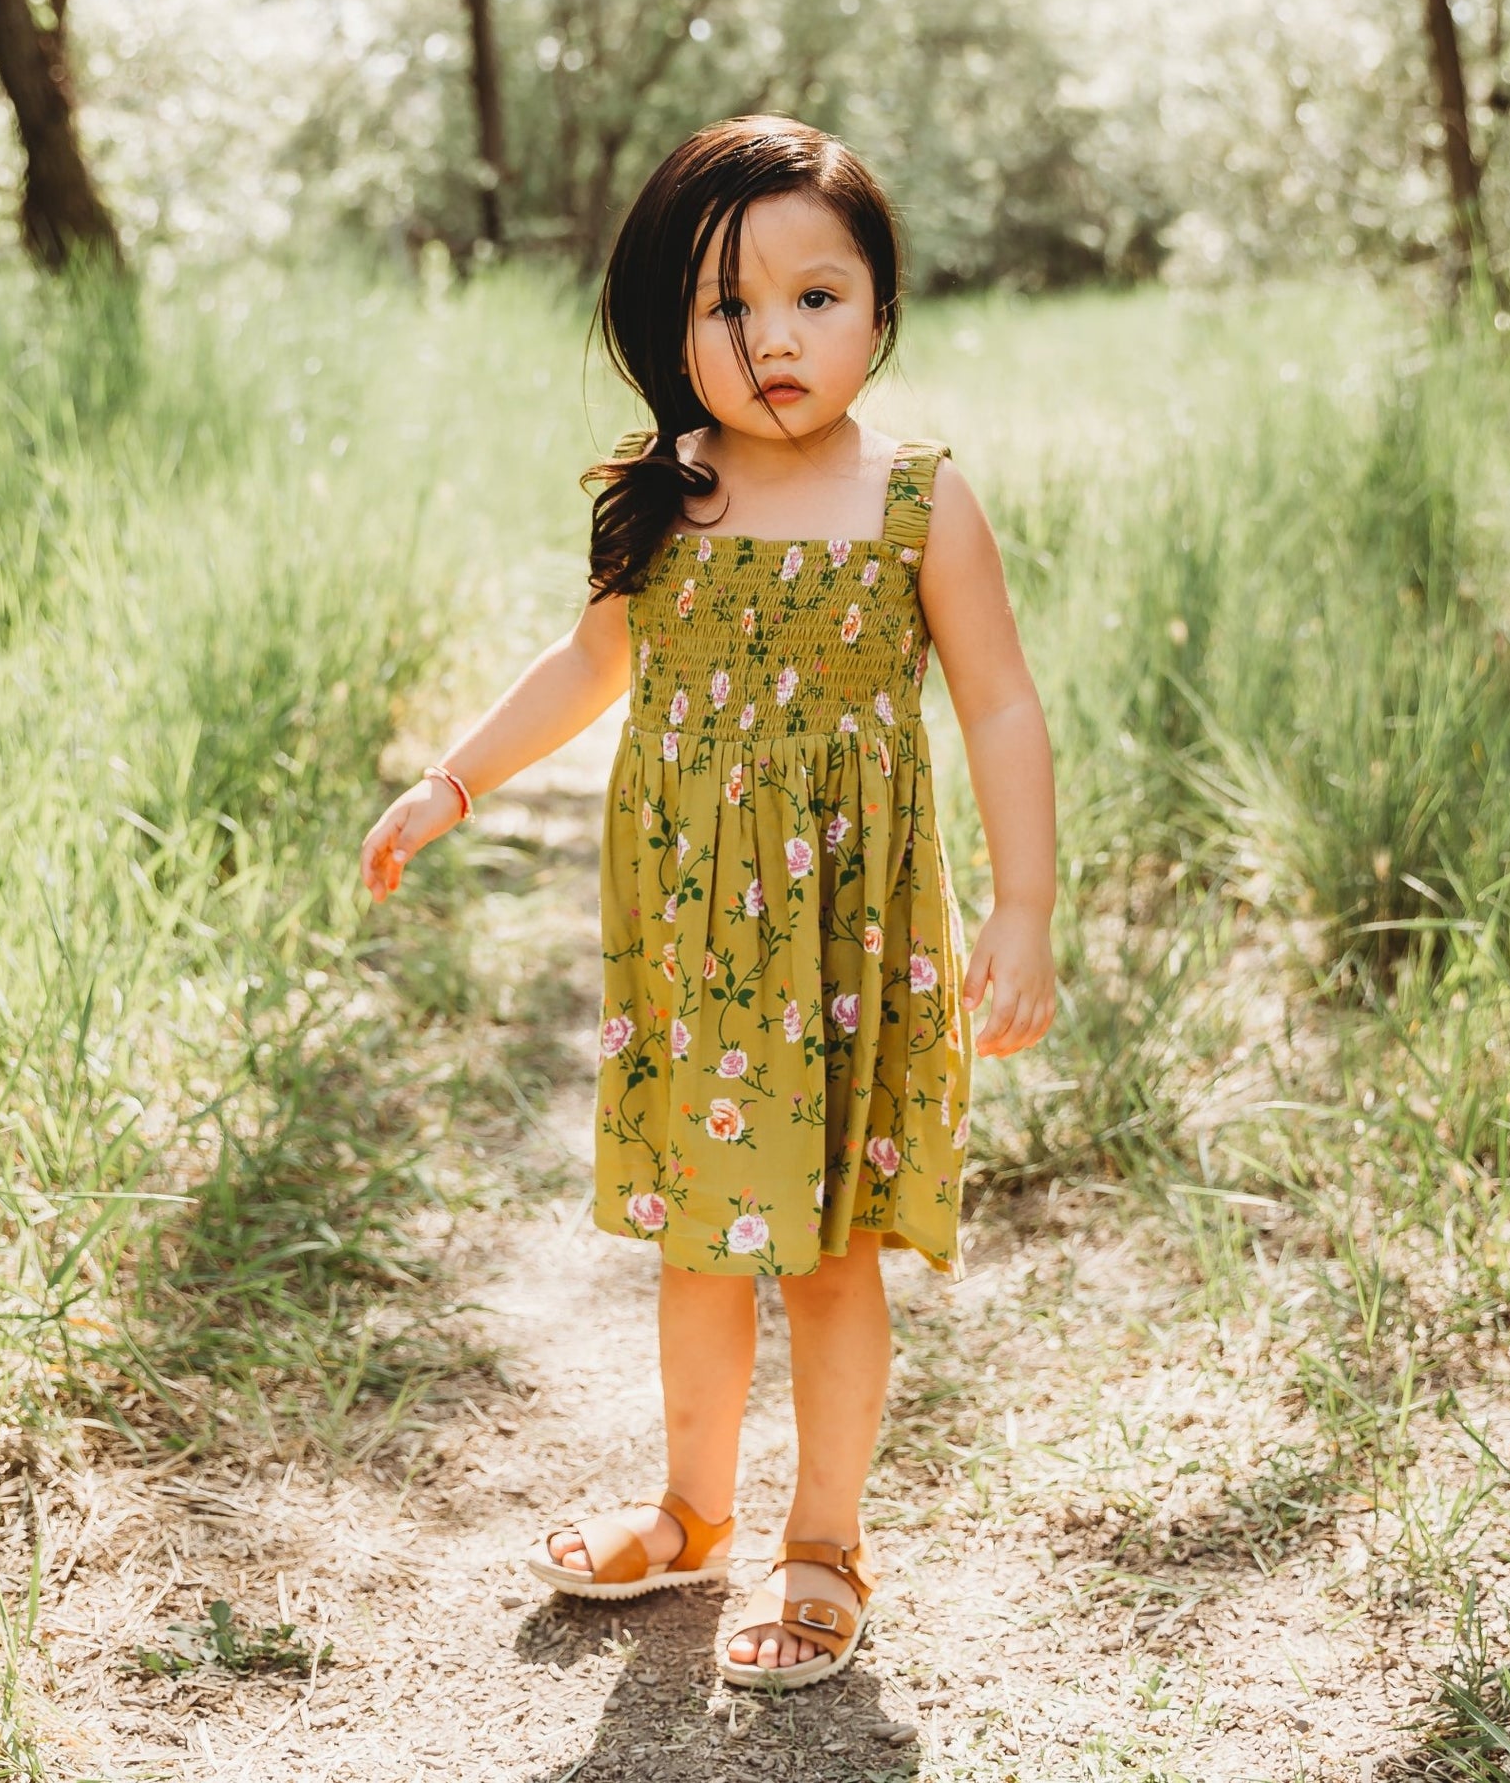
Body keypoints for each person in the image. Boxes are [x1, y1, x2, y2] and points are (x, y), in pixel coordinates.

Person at [359, 115, 1056, 1689]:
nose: (775, 338)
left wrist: (1025, 906)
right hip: (695, 936)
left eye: (817, 296)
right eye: (727, 306)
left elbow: (1000, 705)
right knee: (698, 1234)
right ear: (667, 329)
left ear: (880, 306)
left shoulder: (917, 500)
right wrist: (453, 780)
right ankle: (691, 1508)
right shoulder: (667, 495)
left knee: (827, 1251)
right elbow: (588, 663)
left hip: (847, 938)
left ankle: (825, 1543)